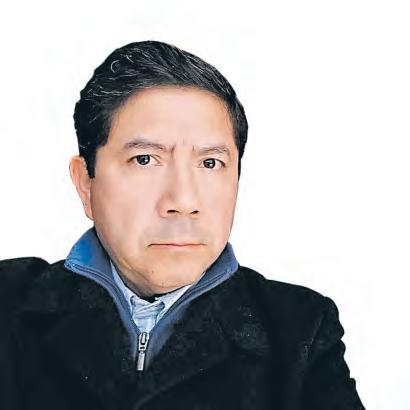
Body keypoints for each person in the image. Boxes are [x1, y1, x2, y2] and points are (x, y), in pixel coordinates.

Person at [0, 40, 365, 410]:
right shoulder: (8, 304)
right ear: (85, 183)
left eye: (210, 163)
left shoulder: (300, 330)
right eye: (145, 159)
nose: (183, 200)